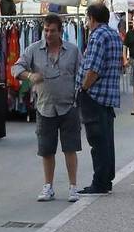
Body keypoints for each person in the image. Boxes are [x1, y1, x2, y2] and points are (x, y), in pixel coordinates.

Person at [13, 13, 83, 202]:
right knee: (46, 150)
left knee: (70, 148)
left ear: (61, 32)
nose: (48, 34)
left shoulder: (73, 51)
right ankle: (48, 186)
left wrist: (80, 95)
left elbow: (82, 73)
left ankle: (73, 187)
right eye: (46, 30)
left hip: (68, 106)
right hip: (44, 107)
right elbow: (16, 68)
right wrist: (29, 76)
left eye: (52, 31)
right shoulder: (34, 50)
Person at [76, 2, 122, 195]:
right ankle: (106, 179)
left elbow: (93, 69)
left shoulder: (97, 36)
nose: (86, 23)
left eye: (87, 18)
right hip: (108, 95)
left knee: (97, 140)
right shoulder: (114, 34)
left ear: (92, 18)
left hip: (94, 95)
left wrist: (83, 88)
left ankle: (100, 182)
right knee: (106, 140)